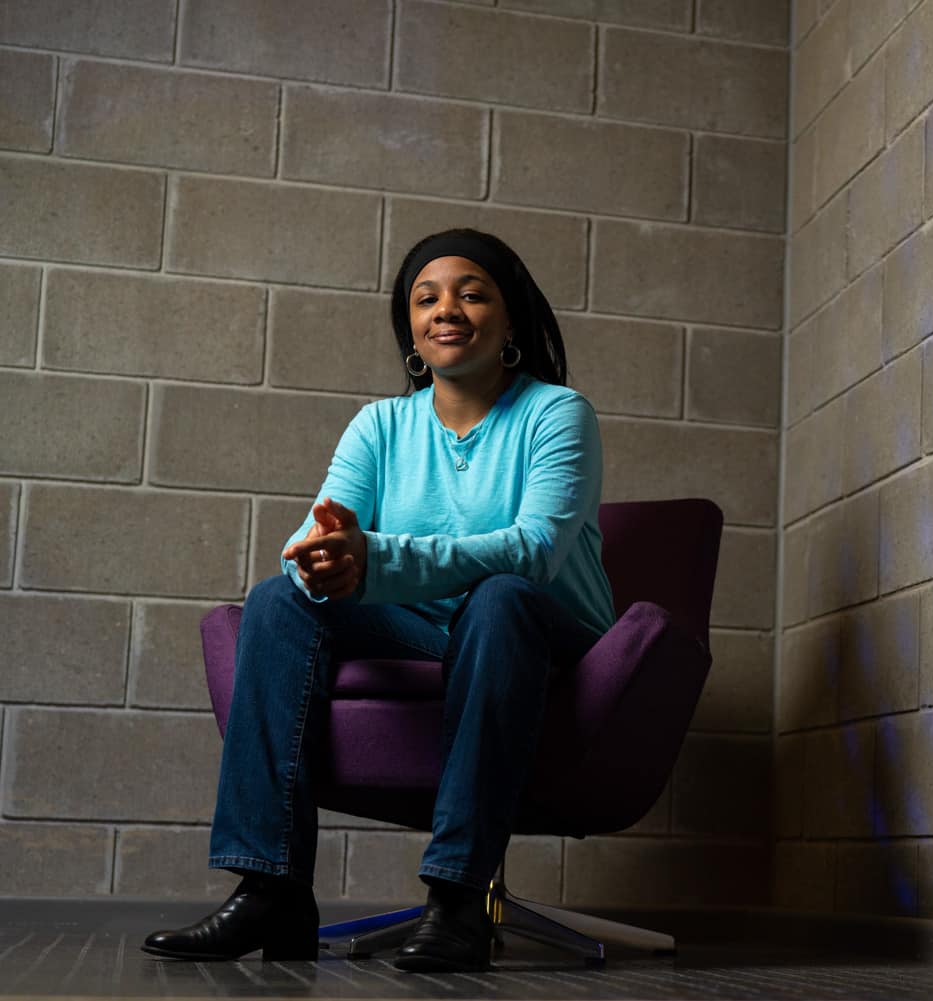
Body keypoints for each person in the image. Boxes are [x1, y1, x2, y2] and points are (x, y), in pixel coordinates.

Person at [141, 229, 615, 972]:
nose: (446, 309)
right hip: (431, 628)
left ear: (511, 318)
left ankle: (457, 899)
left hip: (546, 631)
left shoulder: (557, 414)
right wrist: (323, 562)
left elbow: (533, 550)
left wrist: (376, 558)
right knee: (278, 598)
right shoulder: (381, 424)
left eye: (471, 292)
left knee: (498, 596)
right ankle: (272, 887)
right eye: (425, 298)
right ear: (412, 330)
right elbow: (311, 538)